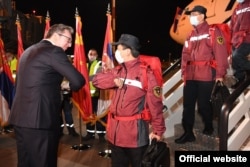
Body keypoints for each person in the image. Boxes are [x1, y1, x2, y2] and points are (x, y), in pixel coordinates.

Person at [8, 24, 85, 167]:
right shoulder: (54, 51)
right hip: (40, 121)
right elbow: (78, 80)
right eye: (68, 40)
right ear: (56, 35)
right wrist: (67, 85)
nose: (69, 45)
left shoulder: (29, 50)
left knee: (25, 163)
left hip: (21, 119)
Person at [92, 34, 166, 167]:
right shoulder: (118, 70)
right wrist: (113, 81)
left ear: (127, 51)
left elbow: (156, 105)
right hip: (115, 136)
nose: (116, 53)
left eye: (119, 49)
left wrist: (158, 131)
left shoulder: (146, 74)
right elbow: (96, 81)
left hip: (135, 137)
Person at [175, 6, 229, 144]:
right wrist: (183, 72)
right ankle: (188, 132)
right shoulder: (190, 35)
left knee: (204, 105)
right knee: (188, 105)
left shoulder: (213, 31)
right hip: (191, 76)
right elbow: (184, 55)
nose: (191, 16)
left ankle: (209, 126)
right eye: (190, 14)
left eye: (194, 14)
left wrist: (220, 74)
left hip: (206, 75)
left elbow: (221, 54)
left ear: (202, 16)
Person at [223, 0, 250, 88]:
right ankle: (239, 79)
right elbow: (232, 27)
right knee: (233, 60)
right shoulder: (237, 8)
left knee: (237, 56)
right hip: (238, 39)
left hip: (248, 37)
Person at [82, 48, 106, 142]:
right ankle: (90, 133)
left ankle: (101, 135)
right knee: (89, 115)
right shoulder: (85, 64)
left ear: (96, 55)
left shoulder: (99, 64)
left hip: (97, 94)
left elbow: (98, 76)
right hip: (87, 95)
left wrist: (85, 78)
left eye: (93, 54)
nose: (91, 55)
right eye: (90, 53)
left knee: (100, 115)